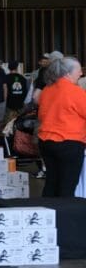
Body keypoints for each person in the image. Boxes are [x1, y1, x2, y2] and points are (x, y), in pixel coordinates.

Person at [37, 56, 86, 198]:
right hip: (69, 144)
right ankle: (63, 218)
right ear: (68, 73)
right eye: (79, 70)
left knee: (51, 182)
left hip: (46, 143)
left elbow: (41, 115)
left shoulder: (47, 90)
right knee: (67, 186)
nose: (81, 73)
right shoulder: (75, 92)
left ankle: (47, 217)